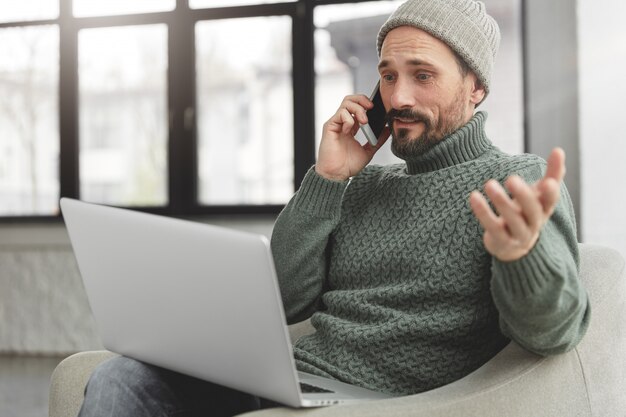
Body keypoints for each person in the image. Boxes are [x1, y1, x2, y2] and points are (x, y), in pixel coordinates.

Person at [78, 0, 590, 415]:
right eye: (387, 76)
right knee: (120, 378)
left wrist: (522, 255)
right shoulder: (361, 186)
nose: (399, 97)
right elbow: (283, 300)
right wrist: (328, 179)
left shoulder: (515, 183)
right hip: (297, 383)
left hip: (384, 402)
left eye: (423, 75)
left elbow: (554, 331)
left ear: (476, 87)